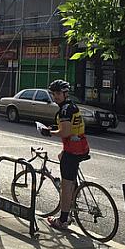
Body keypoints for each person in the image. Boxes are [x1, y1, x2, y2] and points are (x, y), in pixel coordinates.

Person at [39, 79, 89, 231]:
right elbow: (69, 127)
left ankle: (63, 219)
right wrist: (55, 127)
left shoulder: (65, 110)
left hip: (73, 150)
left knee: (65, 187)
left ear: (65, 94)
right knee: (62, 157)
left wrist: (49, 133)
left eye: (58, 94)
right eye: (54, 94)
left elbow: (65, 132)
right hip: (81, 147)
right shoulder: (71, 106)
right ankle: (73, 195)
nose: (55, 97)